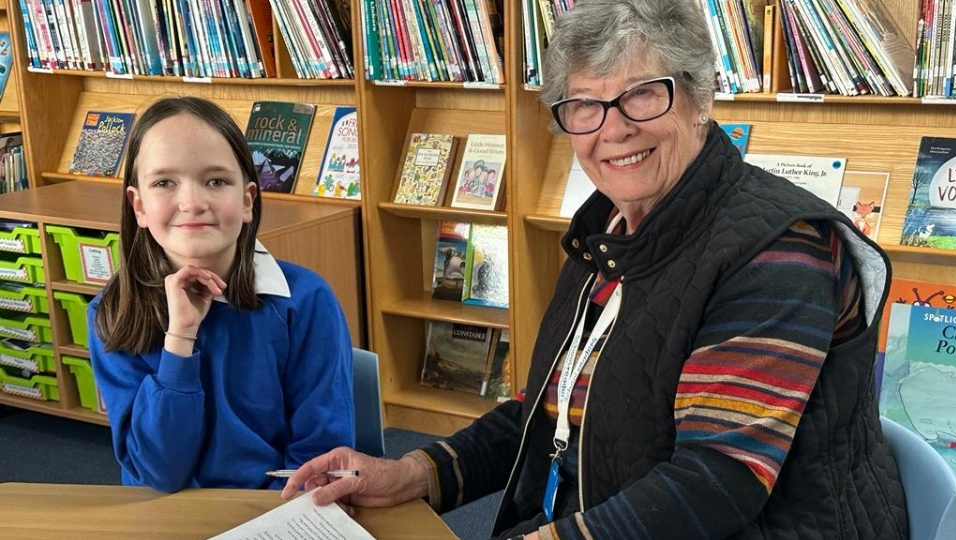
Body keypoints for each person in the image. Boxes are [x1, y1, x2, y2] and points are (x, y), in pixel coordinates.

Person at [281, 0, 909, 538]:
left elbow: (719, 480)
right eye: (584, 103)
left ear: (699, 96)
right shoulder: (609, 233)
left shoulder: (778, 250)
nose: (613, 128)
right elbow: (548, 411)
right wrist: (413, 472)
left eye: (641, 93)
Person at [88, 96, 355, 493]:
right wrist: (179, 341)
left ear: (247, 200)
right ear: (138, 206)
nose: (193, 202)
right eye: (165, 182)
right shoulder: (113, 312)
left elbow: (318, 462)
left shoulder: (306, 301)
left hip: (277, 512)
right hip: (166, 513)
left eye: (216, 181)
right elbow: (157, 474)